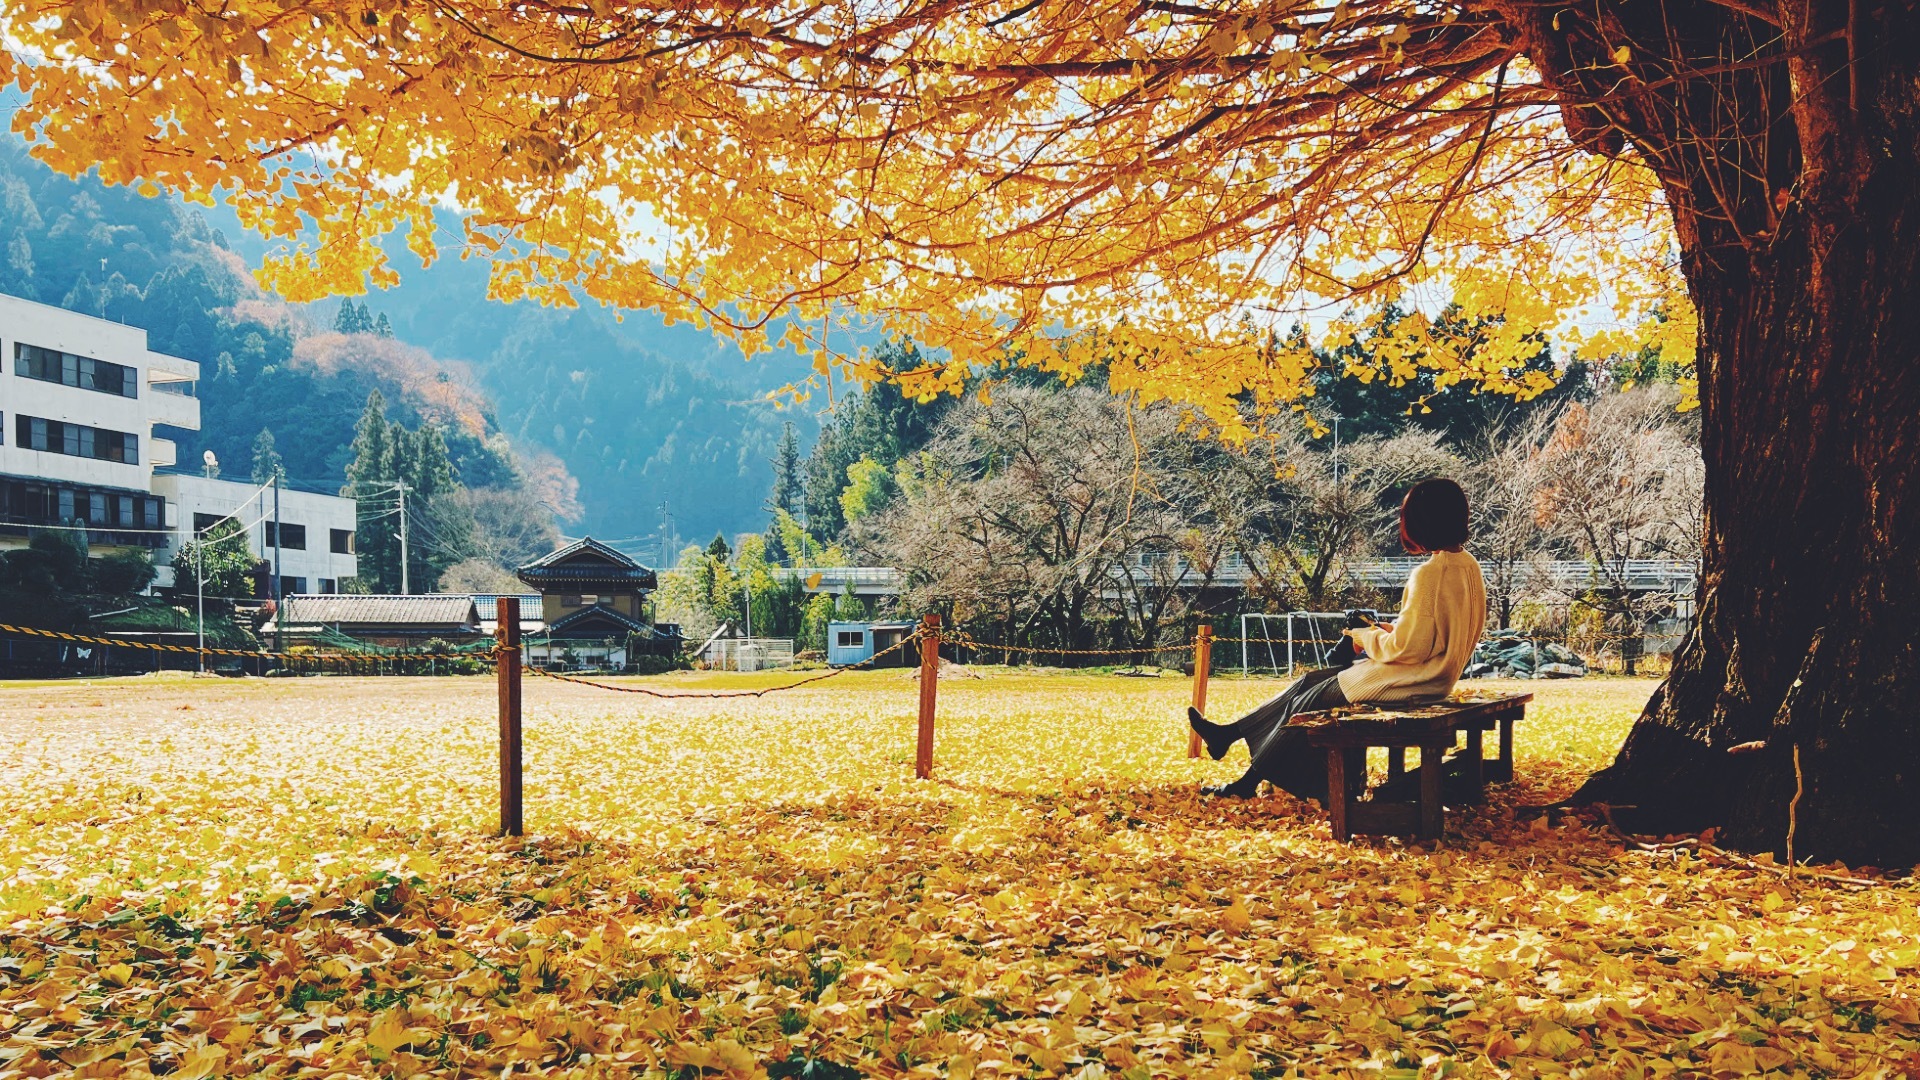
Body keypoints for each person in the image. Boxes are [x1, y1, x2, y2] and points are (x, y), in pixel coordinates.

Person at [1187, 477, 1487, 799]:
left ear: (1423, 520)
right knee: (1308, 682)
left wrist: (1363, 635)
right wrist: (1385, 628)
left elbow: (1409, 648)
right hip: (1434, 679)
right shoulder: (1468, 567)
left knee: (1303, 708)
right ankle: (1228, 736)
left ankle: (1269, 785)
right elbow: (1434, 636)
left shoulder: (1430, 573)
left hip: (1410, 680)